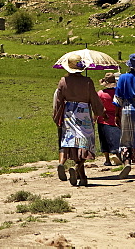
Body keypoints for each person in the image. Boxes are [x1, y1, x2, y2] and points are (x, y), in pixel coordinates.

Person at [53, 53, 105, 187]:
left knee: (68, 141)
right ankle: (77, 168)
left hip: (69, 114)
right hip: (84, 115)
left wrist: (57, 116)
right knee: (84, 143)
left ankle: (62, 164)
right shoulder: (87, 82)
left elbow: (59, 100)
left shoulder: (63, 81)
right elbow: (94, 98)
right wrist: (100, 112)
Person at [96, 71, 122, 166]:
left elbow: (98, 107)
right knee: (117, 139)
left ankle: (107, 159)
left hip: (103, 119)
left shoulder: (100, 94)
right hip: (116, 118)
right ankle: (118, 155)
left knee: (104, 140)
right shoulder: (118, 93)